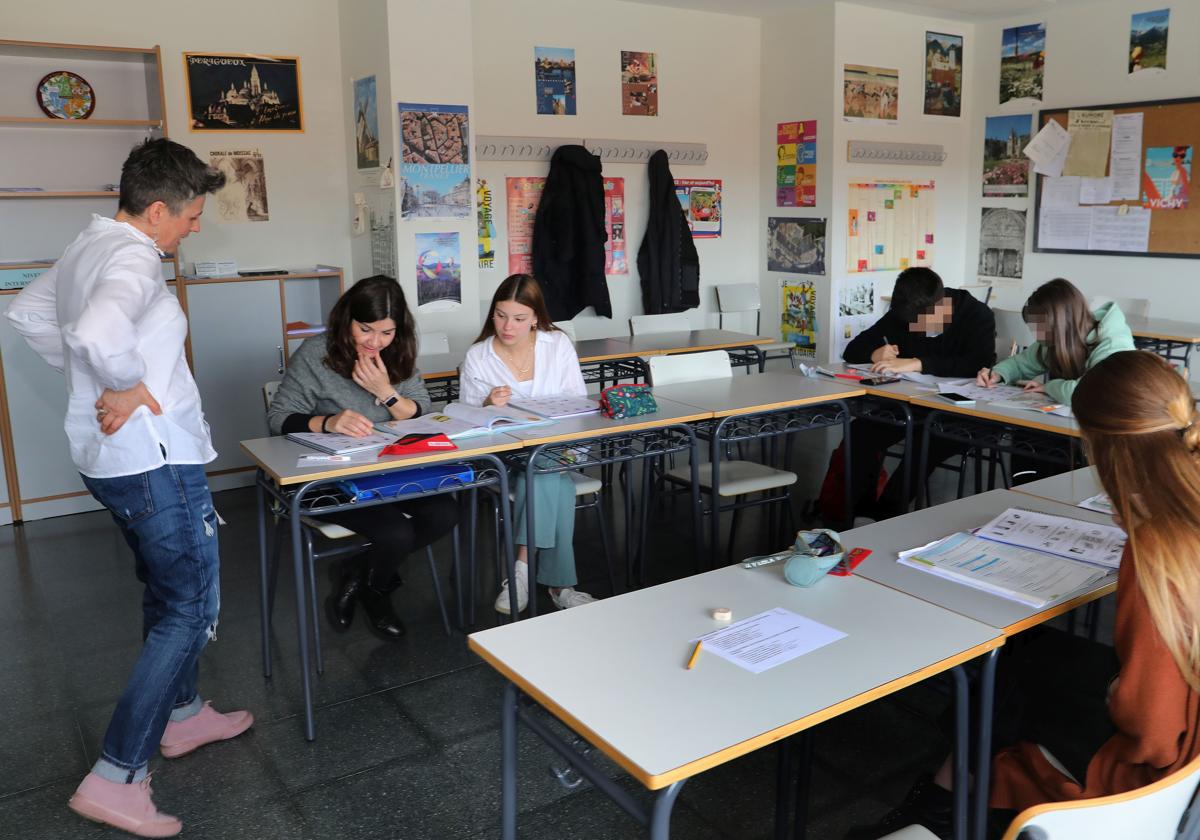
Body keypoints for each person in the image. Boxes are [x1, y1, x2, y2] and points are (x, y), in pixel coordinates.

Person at [5, 138, 252, 837]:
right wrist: (119, 382)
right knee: (190, 610)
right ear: (155, 210)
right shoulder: (133, 256)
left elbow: (27, 314)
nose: (194, 228)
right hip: (152, 459)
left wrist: (94, 385)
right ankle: (117, 776)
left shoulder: (92, 242)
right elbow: (98, 327)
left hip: (111, 458)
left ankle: (183, 713)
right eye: (191, 216)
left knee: (163, 590)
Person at [859, 350, 1200, 839]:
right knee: (1026, 661)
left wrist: (1120, 691)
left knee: (1000, 685)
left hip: (1153, 768)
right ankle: (942, 800)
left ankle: (939, 810)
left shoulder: (1159, 549)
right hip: (1183, 734)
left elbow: (1155, 732)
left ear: (1106, 447)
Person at [266, 275, 458, 641]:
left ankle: (358, 574)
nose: (374, 342)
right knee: (396, 532)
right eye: (365, 329)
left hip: (390, 469)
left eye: (385, 333)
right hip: (332, 476)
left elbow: (422, 411)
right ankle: (378, 593)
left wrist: (386, 393)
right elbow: (277, 419)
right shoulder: (317, 354)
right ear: (347, 319)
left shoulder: (397, 351)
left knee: (445, 513)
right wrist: (328, 422)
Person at [460, 273, 595, 613]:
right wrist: (486, 404)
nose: (508, 326)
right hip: (505, 455)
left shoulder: (557, 344)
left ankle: (520, 570)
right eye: (501, 315)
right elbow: (465, 421)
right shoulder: (478, 355)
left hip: (558, 446)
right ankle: (561, 586)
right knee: (555, 484)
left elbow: (579, 401)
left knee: (545, 467)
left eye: (519, 319)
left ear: (536, 317)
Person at [840, 267, 995, 520]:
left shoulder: (976, 315)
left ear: (939, 306)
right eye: (909, 323)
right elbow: (852, 350)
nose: (914, 328)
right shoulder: (903, 313)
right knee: (860, 431)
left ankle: (888, 512)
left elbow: (977, 363)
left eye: (919, 323)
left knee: (926, 440)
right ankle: (859, 508)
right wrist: (873, 354)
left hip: (959, 413)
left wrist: (917, 363)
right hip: (913, 404)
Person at [976, 278, 1135, 483]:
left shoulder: (1112, 343)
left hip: (1109, 430)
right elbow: (1021, 363)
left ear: (1060, 322)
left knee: (1051, 449)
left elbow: (1089, 392)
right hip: (1068, 423)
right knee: (1027, 434)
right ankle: (1026, 494)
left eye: (1040, 328)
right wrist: (997, 374)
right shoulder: (1056, 338)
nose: (1037, 336)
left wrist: (1049, 387)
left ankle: (1045, 493)